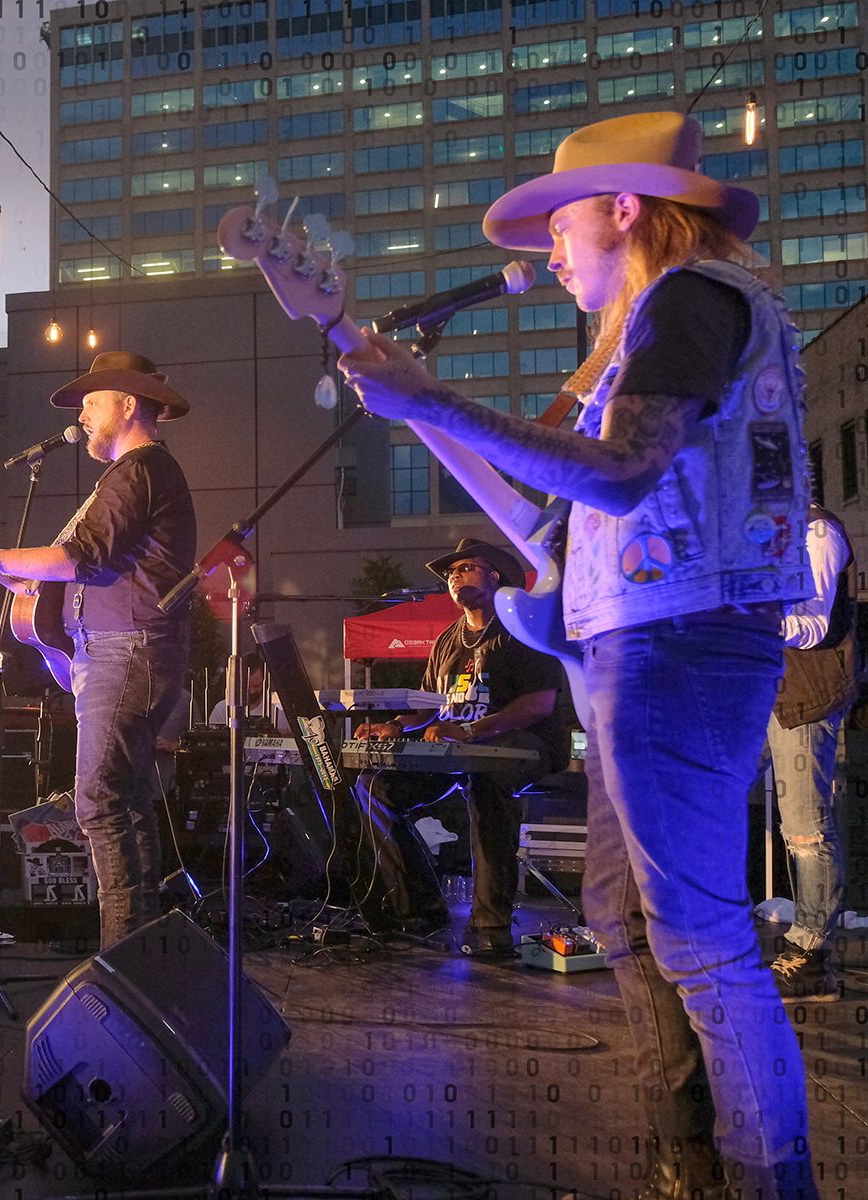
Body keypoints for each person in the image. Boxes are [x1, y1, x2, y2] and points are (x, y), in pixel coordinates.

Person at [339, 112, 817, 1199]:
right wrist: (428, 416)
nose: (547, 255)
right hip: (652, 642)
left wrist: (437, 399)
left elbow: (621, 471)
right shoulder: (665, 320)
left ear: (626, 208)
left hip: (679, 643)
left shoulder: (689, 300)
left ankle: (770, 1178)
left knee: (701, 942)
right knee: (633, 917)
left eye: (559, 226)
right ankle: (702, 1157)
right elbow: (574, 514)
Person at [0, 351, 197, 949]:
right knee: (126, 806)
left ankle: (122, 965)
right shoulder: (136, 476)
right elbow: (56, 582)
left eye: (91, 401)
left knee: (99, 805)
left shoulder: (138, 472)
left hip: (127, 653)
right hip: (127, 653)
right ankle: (144, 953)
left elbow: (78, 559)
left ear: (128, 404)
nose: (81, 415)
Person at [353, 539, 569, 950]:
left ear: (495, 576)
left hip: (526, 745)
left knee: (487, 780)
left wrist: (474, 731)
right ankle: (418, 906)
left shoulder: (519, 627)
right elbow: (431, 706)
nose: (455, 575)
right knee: (375, 785)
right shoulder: (447, 641)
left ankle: (491, 923)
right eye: (451, 572)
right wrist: (396, 725)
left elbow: (539, 703)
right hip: (460, 750)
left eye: (466, 567)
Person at [765, 503, 858, 1002]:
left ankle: (813, 955)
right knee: (708, 804)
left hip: (804, 692)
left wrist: (750, 614)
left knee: (805, 827)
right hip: (762, 690)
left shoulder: (816, 530)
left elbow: (814, 626)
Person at [207, 652, 290, 734]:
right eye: (246, 686)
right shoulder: (221, 710)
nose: (252, 691)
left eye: (256, 686)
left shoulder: (281, 711)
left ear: (266, 681)